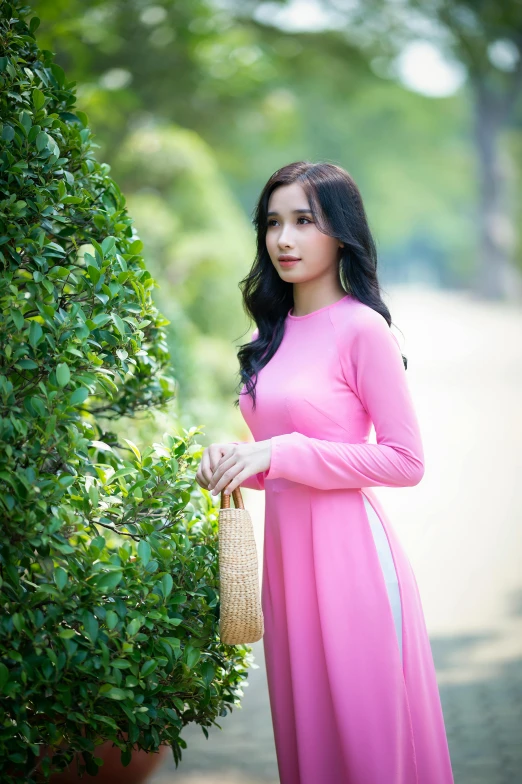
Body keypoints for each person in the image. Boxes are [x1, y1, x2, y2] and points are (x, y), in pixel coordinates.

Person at [195, 161, 454, 784]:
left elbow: (405, 461)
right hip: (286, 573)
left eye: (304, 222)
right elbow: (277, 462)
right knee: (308, 756)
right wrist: (233, 461)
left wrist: (279, 453)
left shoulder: (363, 331)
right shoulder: (269, 335)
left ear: (340, 232)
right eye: (273, 223)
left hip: (351, 566)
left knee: (370, 754)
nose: (284, 239)